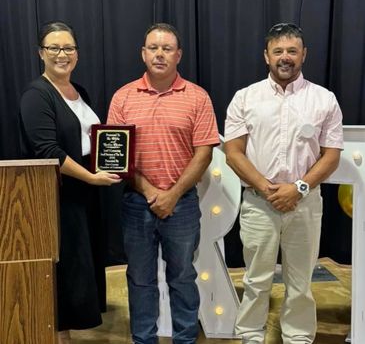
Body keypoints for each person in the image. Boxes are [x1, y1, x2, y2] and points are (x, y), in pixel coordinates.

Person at [224, 23, 343, 344]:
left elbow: (331, 155)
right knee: (256, 279)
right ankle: (249, 334)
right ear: (266, 56)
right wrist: (266, 188)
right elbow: (233, 152)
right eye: (278, 51)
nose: (285, 57)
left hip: (304, 203)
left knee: (301, 281)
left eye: (292, 50)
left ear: (303, 54)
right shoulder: (245, 98)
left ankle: (299, 337)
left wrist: (299, 188)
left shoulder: (324, 99)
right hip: (258, 204)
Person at [107, 23, 219, 344]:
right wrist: (150, 191)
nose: (159, 54)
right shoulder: (123, 97)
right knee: (140, 280)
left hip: (182, 205)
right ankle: (144, 340)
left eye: (166, 48)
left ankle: (185, 339)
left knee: (183, 278)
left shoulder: (197, 97)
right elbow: (116, 154)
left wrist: (172, 194)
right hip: (135, 203)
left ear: (178, 55)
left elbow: (204, 154)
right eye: (153, 48)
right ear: (143, 53)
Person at [19, 21, 122, 344]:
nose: (62, 54)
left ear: (77, 53)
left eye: (68, 48)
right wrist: (91, 176)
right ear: (41, 53)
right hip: (58, 197)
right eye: (54, 48)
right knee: (63, 266)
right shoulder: (37, 95)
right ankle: (59, 336)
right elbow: (48, 151)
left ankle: (69, 332)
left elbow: (92, 140)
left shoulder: (80, 91)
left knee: (82, 262)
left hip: (86, 193)